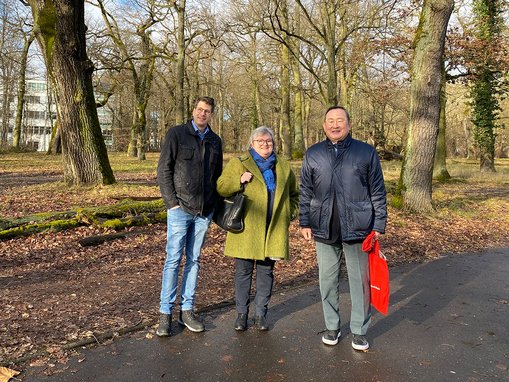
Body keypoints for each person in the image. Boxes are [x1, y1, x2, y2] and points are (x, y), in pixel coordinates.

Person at [299, 106, 387, 350]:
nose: (335, 125)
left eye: (340, 120)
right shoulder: (313, 153)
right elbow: (305, 191)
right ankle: (332, 326)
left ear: (349, 124)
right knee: (327, 281)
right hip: (323, 227)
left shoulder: (365, 152)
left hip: (359, 228)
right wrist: (304, 221)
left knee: (360, 282)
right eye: (330, 121)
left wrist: (379, 222)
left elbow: (377, 190)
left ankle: (359, 330)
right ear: (324, 125)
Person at [216, 126, 299, 331]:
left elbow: (295, 194)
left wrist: (289, 212)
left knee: (266, 272)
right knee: (243, 272)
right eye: (260, 141)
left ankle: (261, 314)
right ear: (252, 144)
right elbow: (221, 187)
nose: (265, 145)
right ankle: (241, 314)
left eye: (268, 141)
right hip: (246, 228)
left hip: (273, 228)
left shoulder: (283, 166)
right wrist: (239, 180)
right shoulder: (239, 163)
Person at [156, 96, 223, 336]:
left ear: (211, 115)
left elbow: (218, 176)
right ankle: (165, 314)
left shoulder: (215, 141)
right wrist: (172, 203)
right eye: (199, 109)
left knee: (194, 260)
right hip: (179, 209)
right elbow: (164, 169)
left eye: (207, 111)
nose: (202, 114)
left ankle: (187, 311)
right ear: (193, 110)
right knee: (173, 261)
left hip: (204, 212)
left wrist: (214, 206)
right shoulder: (177, 134)